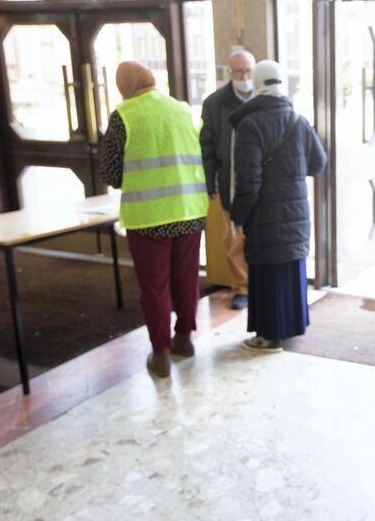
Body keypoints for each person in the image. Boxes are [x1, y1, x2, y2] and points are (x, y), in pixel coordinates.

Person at [100, 61, 209, 377]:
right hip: (189, 211)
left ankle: (160, 353)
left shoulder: (124, 116)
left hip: (148, 218)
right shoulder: (183, 110)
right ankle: (185, 339)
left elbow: (111, 174)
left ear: (124, 86)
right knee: (186, 278)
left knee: (155, 287)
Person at [229, 60, 327, 351]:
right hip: (295, 214)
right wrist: (292, 170)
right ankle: (290, 328)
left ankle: (268, 335)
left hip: (264, 214)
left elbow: (249, 182)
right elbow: (318, 163)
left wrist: (238, 216)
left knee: (267, 273)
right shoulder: (298, 120)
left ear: (257, 84)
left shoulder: (249, 124)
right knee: (290, 268)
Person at [200, 49, 256, 310]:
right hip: (229, 181)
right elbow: (207, 146)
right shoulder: (215, 103)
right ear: (228, 73)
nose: (243, 76)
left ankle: (261, 283)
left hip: (260, 182)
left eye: (247, 70)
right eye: (238, 71)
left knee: (260, 236)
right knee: (234, 239)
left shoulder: (264, 99)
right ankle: (241, 287)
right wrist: (209, 182)